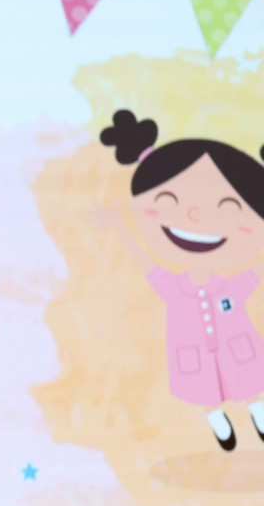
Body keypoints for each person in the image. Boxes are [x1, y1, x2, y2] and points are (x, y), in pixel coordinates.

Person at [95, 109, 264, 450]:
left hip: (239, 351)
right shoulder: (172, 287)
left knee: (250, 383)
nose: (195, 215)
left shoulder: (232, 285)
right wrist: (119, 227)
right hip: (192, 354)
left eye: (227, 207)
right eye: (169, 200)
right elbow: (145, 262)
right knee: (204, 389)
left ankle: (258, 412)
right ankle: (216, 419)